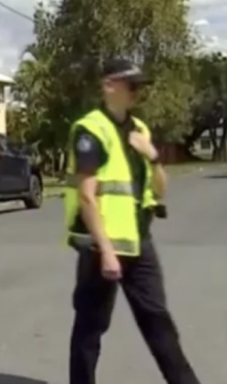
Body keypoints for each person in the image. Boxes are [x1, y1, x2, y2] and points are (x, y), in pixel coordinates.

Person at [65, 58, 201, 384]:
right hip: (102, 247)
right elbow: (87, 196)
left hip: (139, 241)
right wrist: (107, 250)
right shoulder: (90, 130)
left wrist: (152, 156)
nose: (137, 93)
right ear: (110, 86)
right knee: (91, 325)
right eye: (132, 86)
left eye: (139, 87)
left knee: (158, 320)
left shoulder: (140, 130)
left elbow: (159, 188)